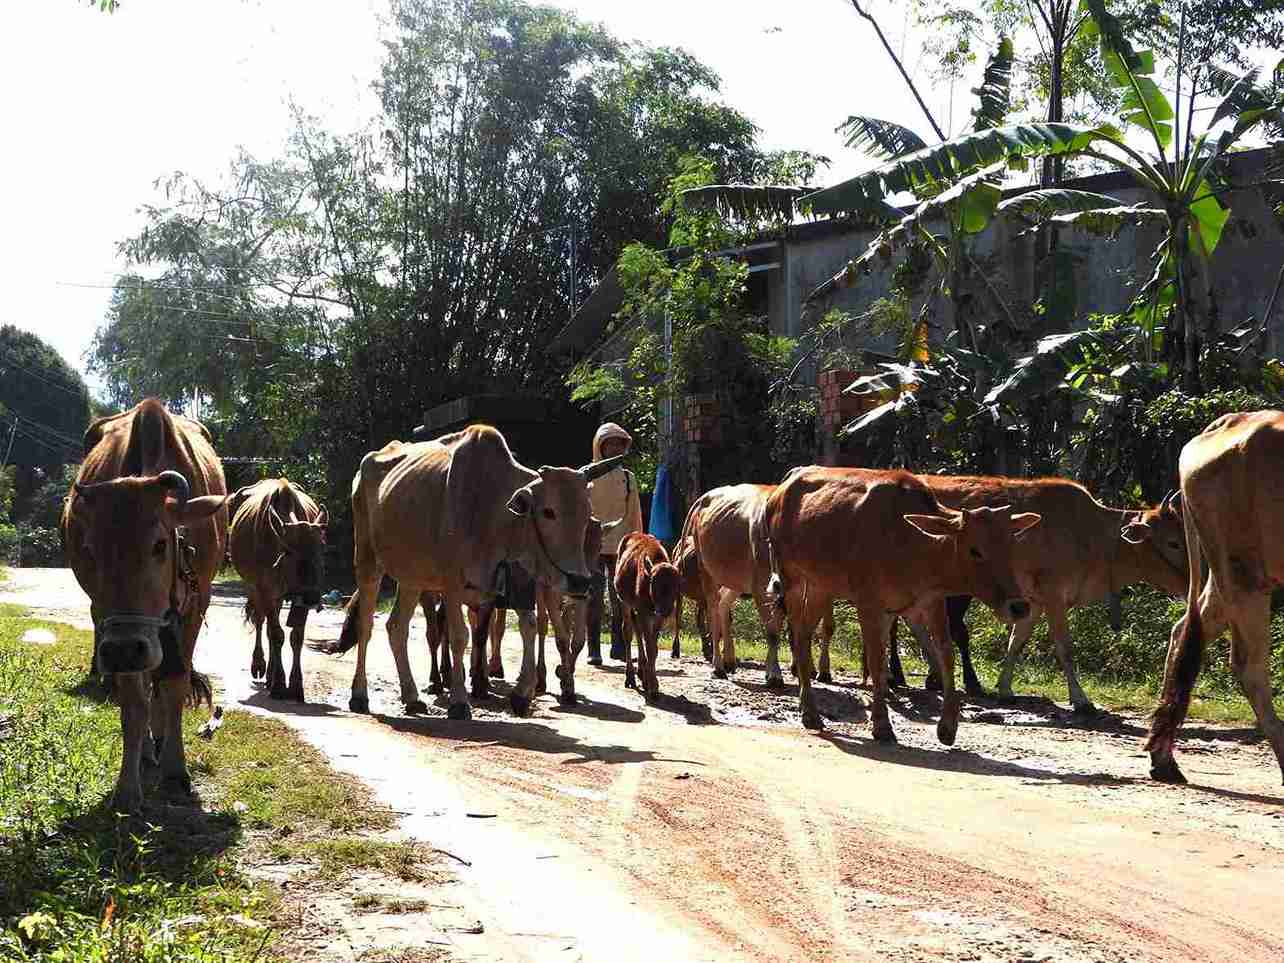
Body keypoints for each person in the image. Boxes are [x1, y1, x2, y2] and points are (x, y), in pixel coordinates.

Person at [586, 422, 644, 665]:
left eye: (619, 444)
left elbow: (635, 515)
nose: (614, 449)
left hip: (621, 547)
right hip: (594, 545)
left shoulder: (629, 479)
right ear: (600, 447)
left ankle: (619, 646)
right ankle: (594, 648)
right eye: (609, 444)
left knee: (622, 598)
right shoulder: (586, 475)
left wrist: (639, 546)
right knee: (594, 597)